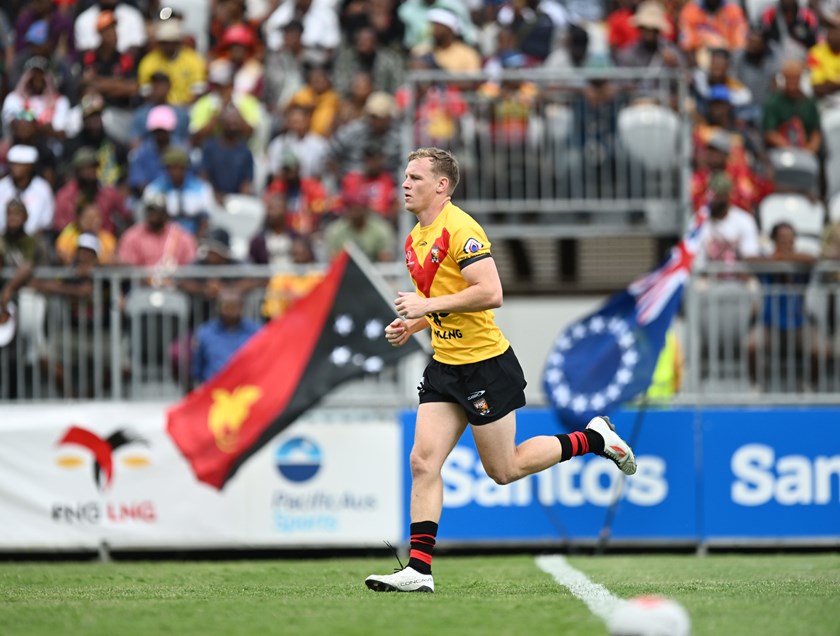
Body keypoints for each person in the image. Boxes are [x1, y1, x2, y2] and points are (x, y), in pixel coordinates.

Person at [364, 148, 637, 594]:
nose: (405, 184)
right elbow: (446, 299)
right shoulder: (415, 238)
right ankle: (418, 568)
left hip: (485, 367)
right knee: (423, 462)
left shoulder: (462, 229)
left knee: (504, 469)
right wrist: (414, 321)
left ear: (442, 186)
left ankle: (594, 438)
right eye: (405, 176)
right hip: (445, 367)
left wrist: (425, 305)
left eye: (415, 177)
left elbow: (491, 292)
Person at [191, 286, 261, 385]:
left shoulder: (256, 332)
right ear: (219, 307)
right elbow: (198, 367)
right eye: (227, 306)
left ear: (242, 307)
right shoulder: (205, 333)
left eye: (234, 306)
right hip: (215, 388)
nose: (231, 310)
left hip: (246, 387)